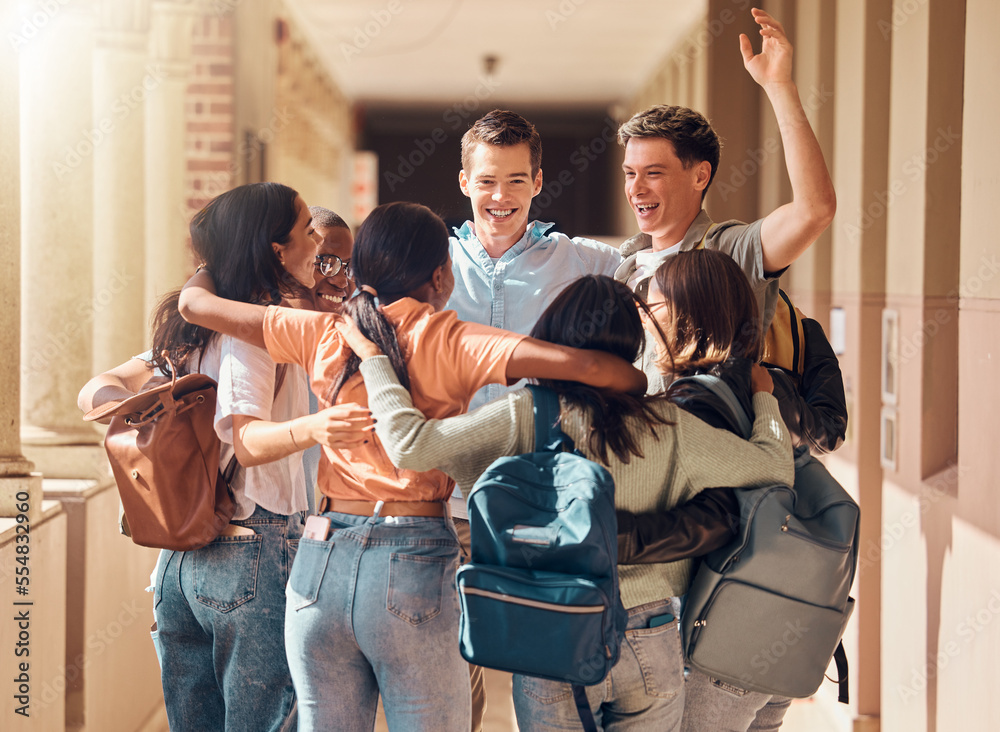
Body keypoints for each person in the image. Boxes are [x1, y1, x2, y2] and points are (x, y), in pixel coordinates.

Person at [176, 201, 647, 731]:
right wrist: (640, 384)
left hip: (318, 561)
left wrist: (215, 253)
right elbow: (592, 368)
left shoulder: (323, 332)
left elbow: (195, 305)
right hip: (410, 558)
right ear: (441, 274)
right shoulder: (451, 338)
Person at [339, 273, 794, 731]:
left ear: (553, 332)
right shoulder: (669, 423)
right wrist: (764, 397)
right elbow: (773, 467)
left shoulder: (523, 413)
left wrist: (375, 359)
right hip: (649, 636)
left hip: (551, 628)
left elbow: (409, 446)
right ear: (631, 344)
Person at [77, 183, 372, 732]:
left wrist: (150, 416)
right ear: (276, 250)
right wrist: (318, 426)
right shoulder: (260, 331)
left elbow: (96, 390)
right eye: (308, 231)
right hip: (252, 551)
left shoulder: (192, 332)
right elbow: (248, 439)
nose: (318, 245)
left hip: (177, 561)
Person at [617, 249, 829, 731]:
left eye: (653, 309)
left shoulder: (694, 402)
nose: (646, 322)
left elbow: (714, 519)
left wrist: (619, 538)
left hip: (720, 646)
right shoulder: (760, 385)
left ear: (690, 315)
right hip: (772, 629)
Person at [615, 8, 836, 345]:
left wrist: (779, 87)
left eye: (653, 173)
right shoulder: (624, 266)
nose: (636, 188)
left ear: (700, 176)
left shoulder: (731, 251)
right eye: (630, 173)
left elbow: (814, 209)